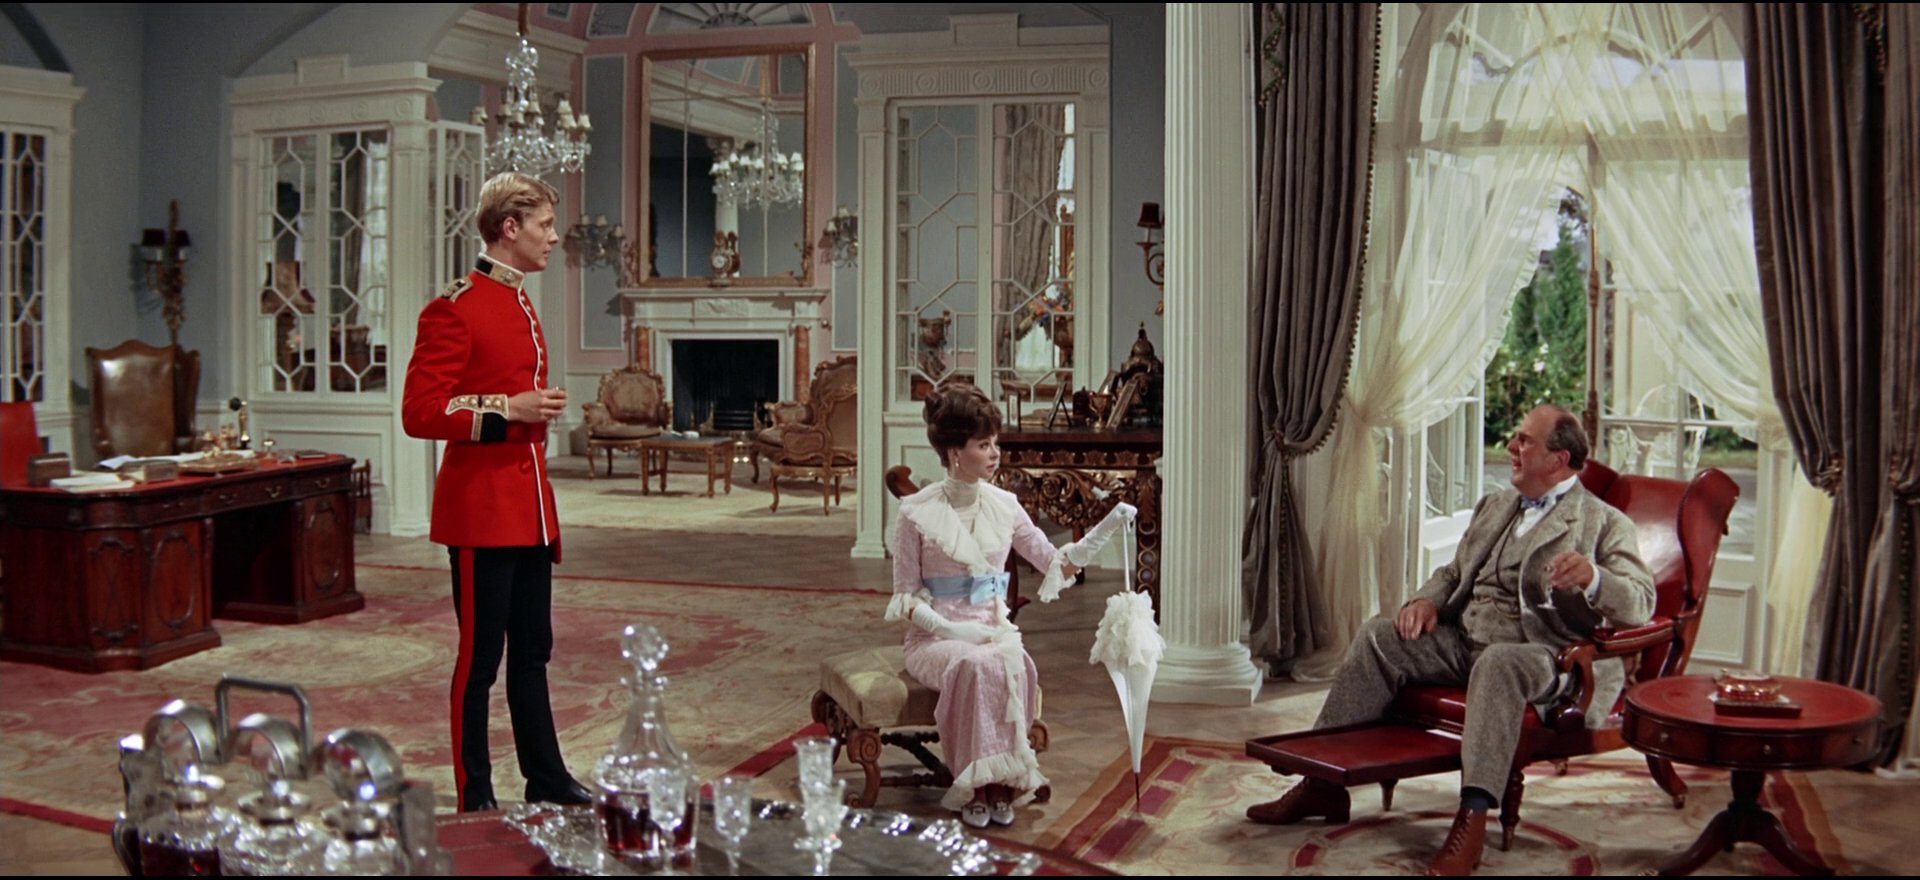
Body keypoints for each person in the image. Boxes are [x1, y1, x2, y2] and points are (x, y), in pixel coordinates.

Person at [1245, 405, 1653, 876]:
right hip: (1465, 641)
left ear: (1558, 459)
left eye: (1524, 441)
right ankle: (1322, 786)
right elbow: (1455, 572)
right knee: (1380, 634)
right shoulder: (1495, 505)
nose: (1511, 447)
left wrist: (1594, 578)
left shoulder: (1603, 522)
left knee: (1498, 662)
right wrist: (1425, 601)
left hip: (1545, 656)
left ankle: (1472, 819)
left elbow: (1641, 602)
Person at [401, 171, 587, 813]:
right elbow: (420, 412)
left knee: (533, 652)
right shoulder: (454, 307)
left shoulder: (521, 301)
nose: (553, 237)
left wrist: (528, 407)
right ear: (510, 228)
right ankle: (473, 794)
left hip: (529, 508)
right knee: (479, 660)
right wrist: (509, 407)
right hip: (480, 511)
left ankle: (546, 777)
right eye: (544, 225)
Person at [888, 384, 1131, 828]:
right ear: (955, 452)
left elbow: (1055, 563)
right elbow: (905, 599)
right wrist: (955, 631)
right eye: (983, 445)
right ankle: (977, 786)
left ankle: (1001, 783)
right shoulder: (915, 512)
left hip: (994, 631)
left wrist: (1107, 527)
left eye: (995, 443)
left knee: (1006, 660)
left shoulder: (1006, 506)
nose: (995, 453)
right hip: (935, 639)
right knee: (976, 663)